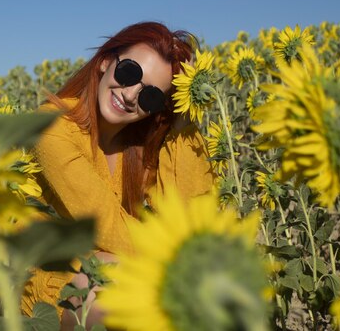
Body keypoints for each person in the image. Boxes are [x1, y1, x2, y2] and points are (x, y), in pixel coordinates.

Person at [20, 21, 216, 329]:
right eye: (130, 74)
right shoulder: (53, 128)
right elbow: (105, 224)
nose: (129, 95)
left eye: (150, 95)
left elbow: (190, 220)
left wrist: (184, 123)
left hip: (113, 267)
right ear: (105, 62)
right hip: (51, 279)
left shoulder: (140, 146)